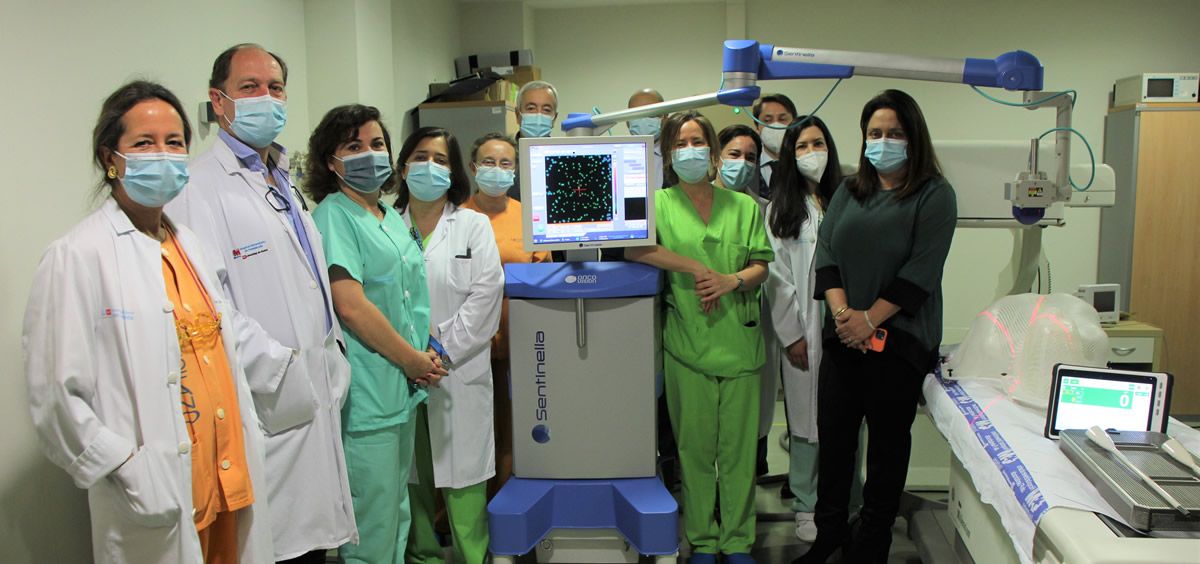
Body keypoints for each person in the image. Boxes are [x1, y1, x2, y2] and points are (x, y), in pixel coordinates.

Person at [24, 80, 278, 563]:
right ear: (110, 159)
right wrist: (126, 466)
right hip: (155, 494)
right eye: (144, 143)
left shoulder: (191, 246)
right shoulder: (78, 256)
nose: (163, 155)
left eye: (174, 142)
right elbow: (55, 398)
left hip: (228, 484)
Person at [166, 43, 357, 564]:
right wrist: (281, 369)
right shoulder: (198, 187)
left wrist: (329, 360)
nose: (265, 98)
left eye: (275, 88)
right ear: (218, 100)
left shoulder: (280, 178)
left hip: (312, 392)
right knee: (275, 547)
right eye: (249, 87)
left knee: (312, 546)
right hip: (267, 397)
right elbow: (208, 305)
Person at [797, 90, 956, 564]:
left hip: (900, 341)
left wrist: (868, 320)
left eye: (894, 133)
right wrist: (845, 318)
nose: (883, 141)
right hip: (844, 336)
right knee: (835, 443)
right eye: (875, 133)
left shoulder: (934, 195)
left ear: (914, 137)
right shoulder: (850, 190)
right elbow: (826, 256)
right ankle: (829, 534)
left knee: (886, 451)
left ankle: (871, 544)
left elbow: (920, 272)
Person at [626, 111, 773, 564]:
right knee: (694, 451)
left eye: (697, 141)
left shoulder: (744, 207)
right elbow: (635, 247)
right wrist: (695, 268)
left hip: (740, 343)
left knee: (738, 453)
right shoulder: (658, 203)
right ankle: (704, 541)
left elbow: (761, 265)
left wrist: (732, 280)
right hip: (686, 345)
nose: (689, 150)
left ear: (712, 150)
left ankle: (738, 541)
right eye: (680, 142)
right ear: (669, 153)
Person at [307, 105, 448, 564]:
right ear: (331, 161)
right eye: (354, 146)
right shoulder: (335, 215)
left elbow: (404, 296)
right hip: (368, 393)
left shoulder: (386, 213)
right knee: (373, 525)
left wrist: (423, 351)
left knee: (397, 513)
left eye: (377, 144)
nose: (369, 154)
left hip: (400, 388)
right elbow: (350, 305)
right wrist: (410, 358)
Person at [395, 127, 504, 564]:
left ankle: (473, 557)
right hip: (399, 367)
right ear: (403, 166)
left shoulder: (473, 225)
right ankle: (421, 556)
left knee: (464, 481)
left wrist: (438, 353)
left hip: (455, 369)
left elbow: (486, 296)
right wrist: (409, 355)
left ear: (454, 170)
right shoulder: (383, 224)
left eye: (440, 159)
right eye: (421, 156)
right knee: (411, 477)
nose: (430, 166)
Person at [762, 115, 847, 543]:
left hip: (847, 324)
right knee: (805, 419)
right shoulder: (781, 209)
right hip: (805, 328)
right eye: (801, 146)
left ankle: (844, 501)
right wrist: (792, 333)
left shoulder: (847, 199)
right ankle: (806, 503)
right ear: (790, 156)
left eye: (818, 143)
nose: (812, 153)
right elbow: (776, 277)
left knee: (846, 418)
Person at [462, 133, 551, 494]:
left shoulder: (530, 217)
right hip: (470, 344)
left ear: (515, 170)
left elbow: (544, 277)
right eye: (488, 162)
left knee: (516, 422)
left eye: (505, 163)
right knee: (473, 426)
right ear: (473, 168)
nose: (496, 170)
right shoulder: (457, 218)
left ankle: (507, 499)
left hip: (522, 340)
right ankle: (468, 508)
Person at [712, 125, 778, 480]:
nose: (742, 163)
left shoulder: (763, 210)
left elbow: (767, 271)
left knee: (746, 425)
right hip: (702, 326)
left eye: (750, 158)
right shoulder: (688, 205)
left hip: (750, 326)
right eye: (734, 154)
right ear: (717, 156)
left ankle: (739, 492)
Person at [509, 80, 560, 200]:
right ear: (517, 115)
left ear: (554, 119)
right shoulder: (504, 158)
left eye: (546, 110)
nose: (538, 115)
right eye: (531, 108)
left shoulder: (562, 157)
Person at [753, 94, 799, 200]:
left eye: (782, 119)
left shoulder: (805, 162)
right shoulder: (748, 164)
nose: (775, 125)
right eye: (767, 120)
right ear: (757, 128)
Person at [627, 88, 666, 190]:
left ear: (665, 117)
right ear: (627, 122)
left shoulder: (677, 155)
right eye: (637, 115)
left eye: (651, 115)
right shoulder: (619, 156)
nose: (644, 120)